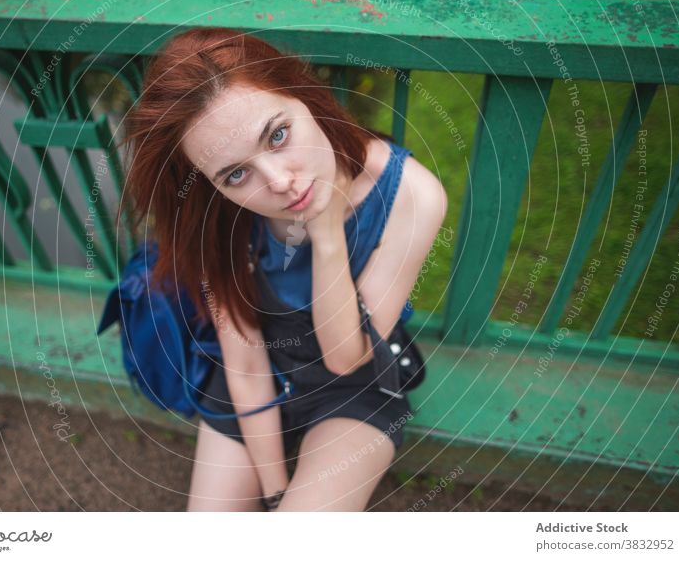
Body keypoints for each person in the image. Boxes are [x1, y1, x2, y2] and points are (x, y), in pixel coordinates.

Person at [122, 27, 447, 511]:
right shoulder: (220, 214)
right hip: (261, 370)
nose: (278, 182)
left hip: (353, 386)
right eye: (236, 173)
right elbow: (247, 365)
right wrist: (274, 491)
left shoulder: (411, 195)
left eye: (277, 135)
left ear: (304, 94)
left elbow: (346, 359)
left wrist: (328, 231)